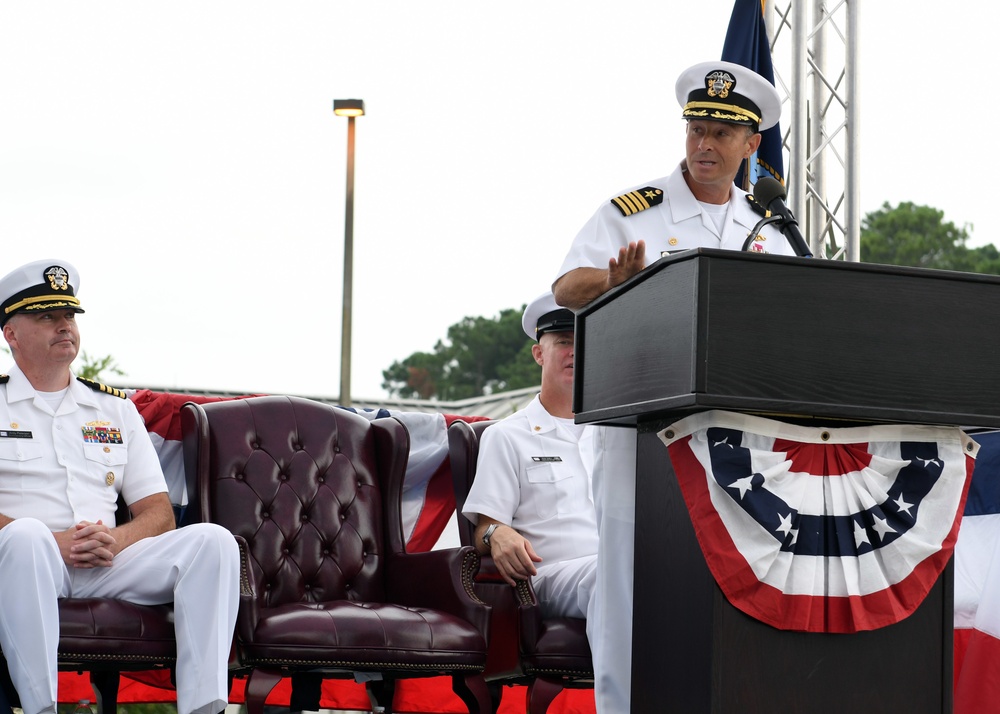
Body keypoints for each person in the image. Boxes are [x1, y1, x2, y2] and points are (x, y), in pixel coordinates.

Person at [551, 60, 796, 713]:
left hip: (743, 446)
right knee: (631, 592)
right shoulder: (634, 211)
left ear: (752, 144)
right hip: (641, 439)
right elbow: (565, 288)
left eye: (721, 132)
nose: (705, 145)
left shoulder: (769, 228)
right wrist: (612, 283)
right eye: (696, 128)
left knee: (732, 587)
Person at [0, 259, 239, 714]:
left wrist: (115, 538)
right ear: (11, 334)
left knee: (214, 542)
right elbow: (27, 542)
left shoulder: (114, 410)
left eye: (68, 315)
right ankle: (40, 707)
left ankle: (205, 707)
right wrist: (58, 542)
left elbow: (158, 513)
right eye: (46, 317)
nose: (64, 326)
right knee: (27, 536)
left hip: (106, 560)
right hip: (24, 561)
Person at [462, 291, 598, 635]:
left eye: (585, 341)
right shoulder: (507, 436)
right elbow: (485, 529)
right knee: (616, 575)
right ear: (539, 353)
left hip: (615, 571)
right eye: (565, 341)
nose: (575, 352)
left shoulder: (617, 436)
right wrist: (497, 532)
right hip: (551, 577)